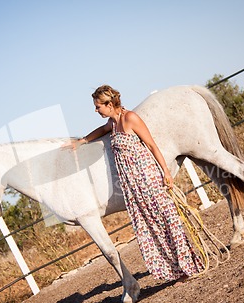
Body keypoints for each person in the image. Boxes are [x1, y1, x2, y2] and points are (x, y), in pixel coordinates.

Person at [69, 84, 203, 282]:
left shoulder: (131, 118)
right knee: (150, 225)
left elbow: (151, 145)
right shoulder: (112, 123)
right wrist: (82, 141)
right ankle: (174, 270)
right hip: (132, 184)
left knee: (167, 219)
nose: (96, 110)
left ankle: (188, 265)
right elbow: (102, 130)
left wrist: (166, 172)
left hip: (147, 177)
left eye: (98, 106)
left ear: (108, 104)